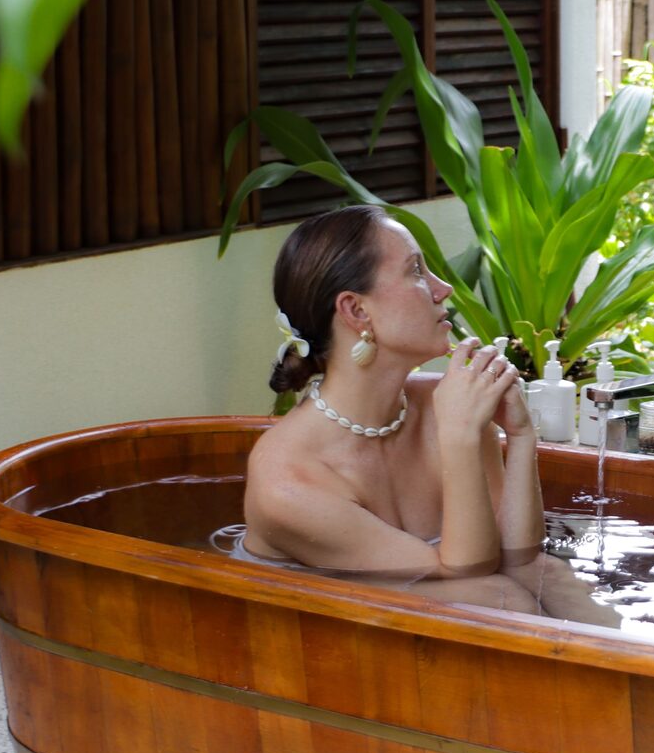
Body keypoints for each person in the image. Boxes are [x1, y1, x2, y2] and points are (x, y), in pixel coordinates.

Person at [240, 205, 618, 625]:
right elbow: (469, 574)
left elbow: (520, 555)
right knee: (503, 599)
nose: (444, 288)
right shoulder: (287, 483)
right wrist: (459, 437)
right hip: (322, 629)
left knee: (550, 576)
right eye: (417, 270)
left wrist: (521, 435)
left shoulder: (443, 403)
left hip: (449, 590)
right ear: (357, 311)